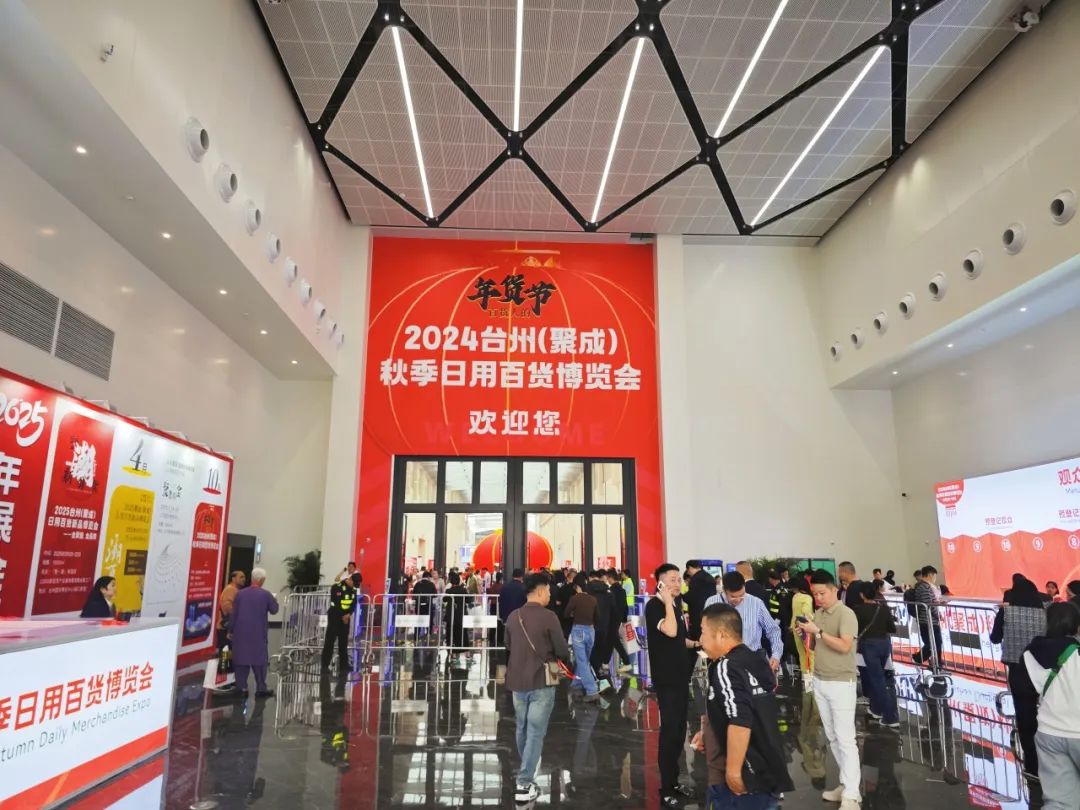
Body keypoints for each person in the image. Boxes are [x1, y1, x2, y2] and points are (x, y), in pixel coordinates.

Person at [695, 603, 793, 809]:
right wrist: (707, 731)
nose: (701, 639)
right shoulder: (755, 660)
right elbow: (742, 707)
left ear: (721, 635)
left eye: (703, 632)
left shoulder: (726, 666)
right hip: (767, 770)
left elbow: (740, 719)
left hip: (743, 778)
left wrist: (733, 772)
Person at [505, 573, 571, 803]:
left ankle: (528, 765)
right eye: (549, 591)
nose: (550, 595)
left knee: (522, 728)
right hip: (541, 681)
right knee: (535, 731)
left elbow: (508, 644)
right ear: (541, 591)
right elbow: (561, 650)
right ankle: (524, 783)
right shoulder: (549, 617)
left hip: (517, 681)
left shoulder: (513, 616)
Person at [798, 570, 861, 809]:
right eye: (815, 594)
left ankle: (852, 794)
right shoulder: (819, 614)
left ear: (835, 590)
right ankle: (847, 785)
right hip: (821, 680)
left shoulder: (846, 614)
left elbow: (845, 646)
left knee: (845, 739)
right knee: (833, 737)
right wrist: (806, 634)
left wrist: (818, 632)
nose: (818, 598)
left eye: (822, 593)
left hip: (841, 683)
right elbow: (817, 645)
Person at [646, 563, 699, 807]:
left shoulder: (675, 606)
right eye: (672, 580)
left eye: (679, 579)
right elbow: (669, 631)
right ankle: (666, 788)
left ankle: (675, 781)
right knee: (669, 733)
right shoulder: (654, 607)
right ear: (660, 583)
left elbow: (679, 638)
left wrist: (696, 644)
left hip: (681, 677)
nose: (678, 584)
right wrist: (667, 602)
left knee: (679, 732)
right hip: (667, 679)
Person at [1023, 601, 1080, 810]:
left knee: (1059, 802)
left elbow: (1024, 695)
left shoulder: (1030, 653)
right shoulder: (1077, 652)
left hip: (1049, 732)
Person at [990, 574, 1046, 778]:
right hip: (1043, 669)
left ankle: (1032, 765)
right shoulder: (1045, 612)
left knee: (1025, 716)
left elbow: (995, 638)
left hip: (1018, 669)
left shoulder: (1006, 612)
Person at [705, 571, 783, 672]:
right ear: (724, 590)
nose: (738, 600)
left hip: (752, 663)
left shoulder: (756, 603)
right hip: (722, 665)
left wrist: (776, 655)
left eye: (741, 595)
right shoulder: (712, 603)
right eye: (733, 596)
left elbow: (773, 630)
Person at [852, 581, 899, 729]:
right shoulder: (883, 608)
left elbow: (854, 630)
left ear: (861, 595)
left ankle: (890, 717)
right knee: (882, 678)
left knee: (877, 680)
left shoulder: (857, 610)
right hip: (884, 644)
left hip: (868, 646)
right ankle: (877, 709)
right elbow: (892, 628)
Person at [228, 567, 279, 698]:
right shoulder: (265, 594)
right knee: (259, 661)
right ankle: (261, 688)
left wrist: (230, 630)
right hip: (258, 634)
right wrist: (274, 599)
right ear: (262, 580)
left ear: (252, 578)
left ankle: (242, 688)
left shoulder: (240, 594)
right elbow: (274, 610)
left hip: (240, 633)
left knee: (241, 660)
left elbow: (234, 614)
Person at [565, 573, 600, 701]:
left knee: (581, 661)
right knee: (584, 660)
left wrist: (573, 614)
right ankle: (577, 683)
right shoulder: (593, 599)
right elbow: (597, 617)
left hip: (578, 630)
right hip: (591, 631)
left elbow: (566, 613)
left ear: (577, 586)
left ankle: (592, 690)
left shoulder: (575, 598)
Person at [322, 573, 357, 672]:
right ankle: (325, 665)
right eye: (354, 583)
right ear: (349, 580)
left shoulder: (353, 590)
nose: (354, 585)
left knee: (343, 642)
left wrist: (349, 614)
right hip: (334, 617)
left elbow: (354, 603)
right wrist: (343, 616)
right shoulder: (337, 587)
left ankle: (344, 665)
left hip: (345, 618)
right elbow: (336, 603)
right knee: (330, 641)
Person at [911, 565, 944, 667]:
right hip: (928, 620)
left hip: (927, 620)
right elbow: (929, 604)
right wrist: (937, 615)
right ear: (930, 575)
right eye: (934, 576)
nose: (935, 578)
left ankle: (936, 664)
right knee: (934, 643)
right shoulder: (924, 587)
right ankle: (918, 658)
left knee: (935, 643)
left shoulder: (923, 586)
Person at [586, 571, 614, 675]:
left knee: (590, 648)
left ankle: (590, 671)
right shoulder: (608, 591)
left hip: (591, 624)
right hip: (604, 624)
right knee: (600, 647)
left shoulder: (588, 589)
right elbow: (613, 608)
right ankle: (597, 670)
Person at [685, 559, 718, 645]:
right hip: (710, 612)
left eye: (688, 570)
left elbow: (691, 598)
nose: (688, 573)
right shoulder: (710, 577)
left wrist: (681, 596)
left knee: (697, 639)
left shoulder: (695, 579)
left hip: (697, 614)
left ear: (690, 568)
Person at [789, 574, 816, 680]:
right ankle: (812, 675)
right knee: (811, 653)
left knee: (801, 653)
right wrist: (814, 617)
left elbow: (794, 614)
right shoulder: (807, 597)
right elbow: (806, 612)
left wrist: (792, 625)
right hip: (806, 628)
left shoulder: (795, 597)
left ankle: (805, 676)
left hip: (796, 627)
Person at [606, 568, 633, 673]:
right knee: (612, 638)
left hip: (611, 618)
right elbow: (625, 605)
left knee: (614, 639)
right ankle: (605, 662)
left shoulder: (611, 590)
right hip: (619, 618)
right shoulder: (622, 590)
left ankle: (627, 662)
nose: (607, 580)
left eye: (608, 578)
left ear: (610, 578)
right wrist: (624, 619)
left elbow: (610, 606)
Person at [217, 570, 245, 649]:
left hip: (228, 626)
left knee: (228, 651)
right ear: (233, 579)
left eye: (244, 577)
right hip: (225, 628)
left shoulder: (235, 589)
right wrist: (239, 615)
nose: (244, 579)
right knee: (226, 652)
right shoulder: (231, 589)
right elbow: (227, 606)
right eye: (241, 577)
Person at [444, 571, 468, 649]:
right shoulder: (463, 590)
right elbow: (468, 600)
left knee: (450, 630)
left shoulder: (449, 591)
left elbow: (444, 599)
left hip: (451, 613)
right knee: (461, 631)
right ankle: (462, 647)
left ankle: (451, 647)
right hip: (461, 614)